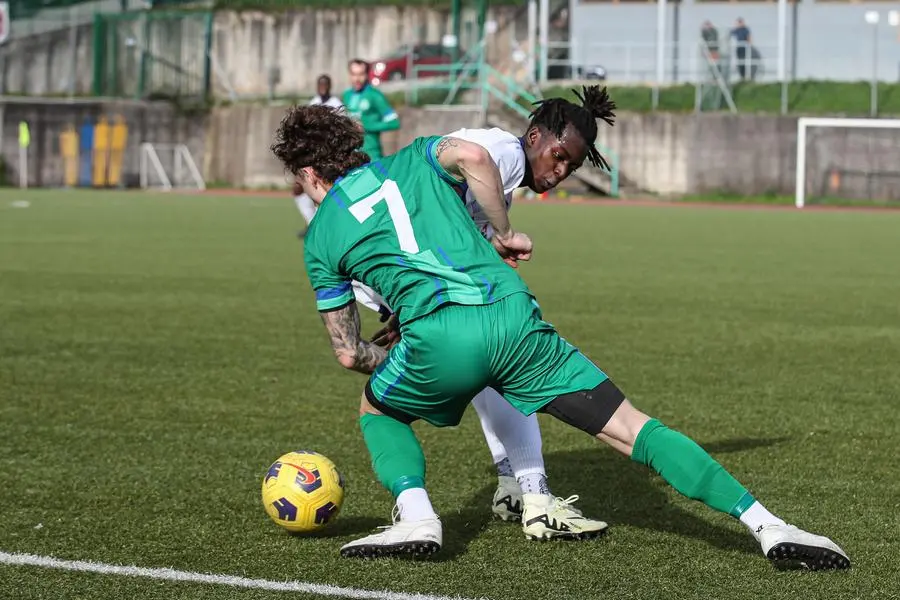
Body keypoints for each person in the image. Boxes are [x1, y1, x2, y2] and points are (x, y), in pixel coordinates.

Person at [272, 104, 850, 571]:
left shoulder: (321, 235)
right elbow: (470, 154)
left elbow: (348, 351)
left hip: (438, 335)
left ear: (306, 174)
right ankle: (768, 526)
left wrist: (386, 355)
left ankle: (418, 515)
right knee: (633, 428)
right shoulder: (416, 156)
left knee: (378, 410)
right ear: (353, 147)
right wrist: (504, 234)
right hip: (515, 316)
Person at [290, 89, 619, 539]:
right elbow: (463, 183)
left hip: (417, 281)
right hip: (428, 281)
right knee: (498, 365)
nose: (560, 172)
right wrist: (500, 236)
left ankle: (514, 489)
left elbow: (456, 209)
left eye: (571, 165)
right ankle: (531, 495)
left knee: (489, 370)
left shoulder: (504, 160)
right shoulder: (502, 154)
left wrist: (490, 241)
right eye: (559, 158)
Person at [295, 75, 344, 230]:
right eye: (320, 85)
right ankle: (312, 222)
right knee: (299, 188)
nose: (322, 88)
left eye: (325, 85)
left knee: (325, 188)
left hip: (330, 153)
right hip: (313, 153)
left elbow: (343, 128)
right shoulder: (313, 102)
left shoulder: (336, 104)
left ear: (329, 86)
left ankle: (323, 225)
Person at [343, 59, 400, 161]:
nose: (357, 78)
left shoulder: (375, 95)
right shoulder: (346, 95)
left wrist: (368, 125)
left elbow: (394, 122)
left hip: (372, 156)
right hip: (351, 156)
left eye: (361, 74)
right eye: (353, 74)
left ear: (367, 74)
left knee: (384, 176)